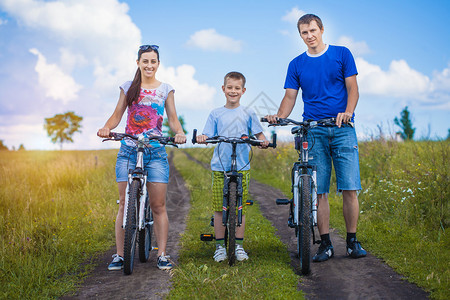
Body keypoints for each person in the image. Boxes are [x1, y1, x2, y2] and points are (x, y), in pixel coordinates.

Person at [266, 14, 367, 262]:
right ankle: (326, 244)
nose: (309, 36)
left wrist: (348, 112)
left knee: (350, 188)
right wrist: (279, 116)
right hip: (313, 130)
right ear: (300, 35)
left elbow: (352, 88)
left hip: (342, 128)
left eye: (312, 30)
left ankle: (352, 242)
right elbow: (290, 96)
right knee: (318, 191)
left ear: (322, 30)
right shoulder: (296, 64)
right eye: (304, 33)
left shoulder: (342, 54)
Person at [97, 44, 186, 270]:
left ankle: (162, 254)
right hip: (128, 148)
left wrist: (179, 132)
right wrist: (106, 127)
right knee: (125, 203)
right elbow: (117, 114)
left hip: (155, 151)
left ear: (158, 64)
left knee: (158, 205)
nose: (149, 65)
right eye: (145, 61)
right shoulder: (128, 87)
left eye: (153, 61)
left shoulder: (166, 89)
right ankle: (119, 255)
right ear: (138, 62)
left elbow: (173, 118)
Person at [196, 71, 269, 262]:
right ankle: (220, 247)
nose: (233, 91)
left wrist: (263, 141)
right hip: (220, 166)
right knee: (220, 207)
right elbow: (207, 135)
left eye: (237, 88)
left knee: (239, 208)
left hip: (242, 165)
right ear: (223, 89)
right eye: (229, 87)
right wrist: (203, 138)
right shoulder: (216, 113)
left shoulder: (248, 113)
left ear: (243, 91)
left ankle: (238, 245)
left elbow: (259, 134)